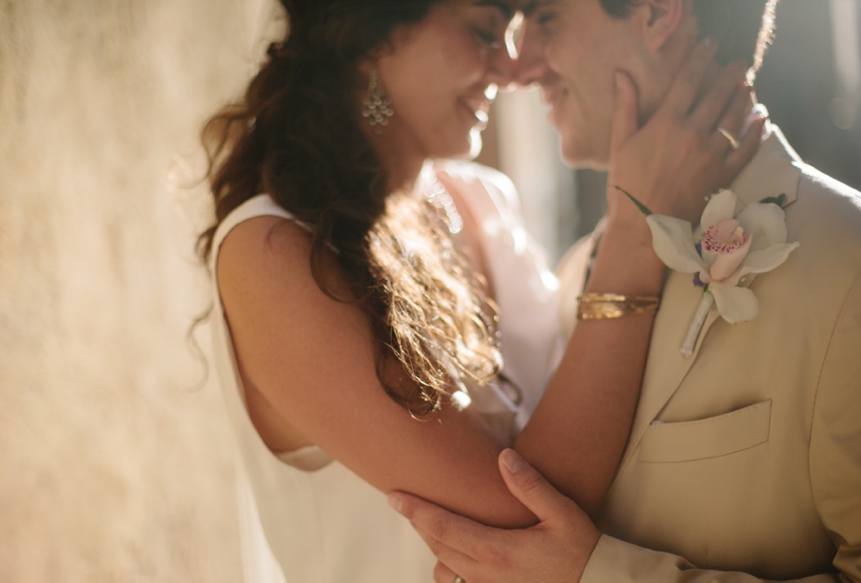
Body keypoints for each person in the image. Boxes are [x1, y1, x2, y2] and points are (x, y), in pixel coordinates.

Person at [200, 0, 759, 581]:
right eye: (481, 33)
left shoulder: (483, 205)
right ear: (370, 37)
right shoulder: (268, 253)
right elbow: (523, 525)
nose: (510, 68)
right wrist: (638, 234)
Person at [389, 0, 861, 581]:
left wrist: (593, 574)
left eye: (546, 19)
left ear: (657, 12)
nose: (519, 69)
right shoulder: (579, 274)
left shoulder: (856, 267)